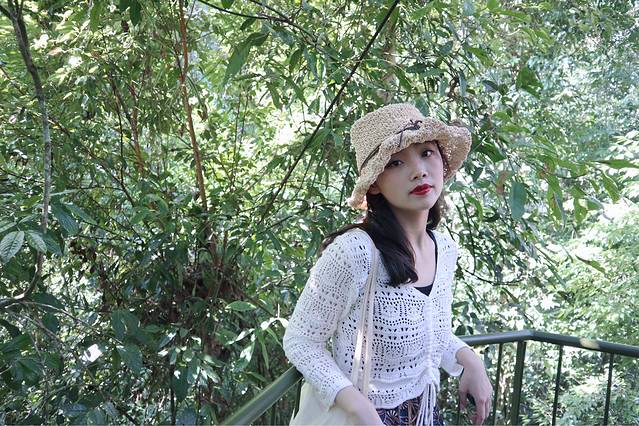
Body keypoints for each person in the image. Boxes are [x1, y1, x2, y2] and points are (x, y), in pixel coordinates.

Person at [283, 103, 493, 426]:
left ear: (441, 160)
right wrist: (360, 408)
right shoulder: (355, 253)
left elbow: (432, 334)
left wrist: (471, 361)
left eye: (426, 153)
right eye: (396, 162)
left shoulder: (445, 249)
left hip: (425, 414)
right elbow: (301, 341)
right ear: (375, 183)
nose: (419, 171)